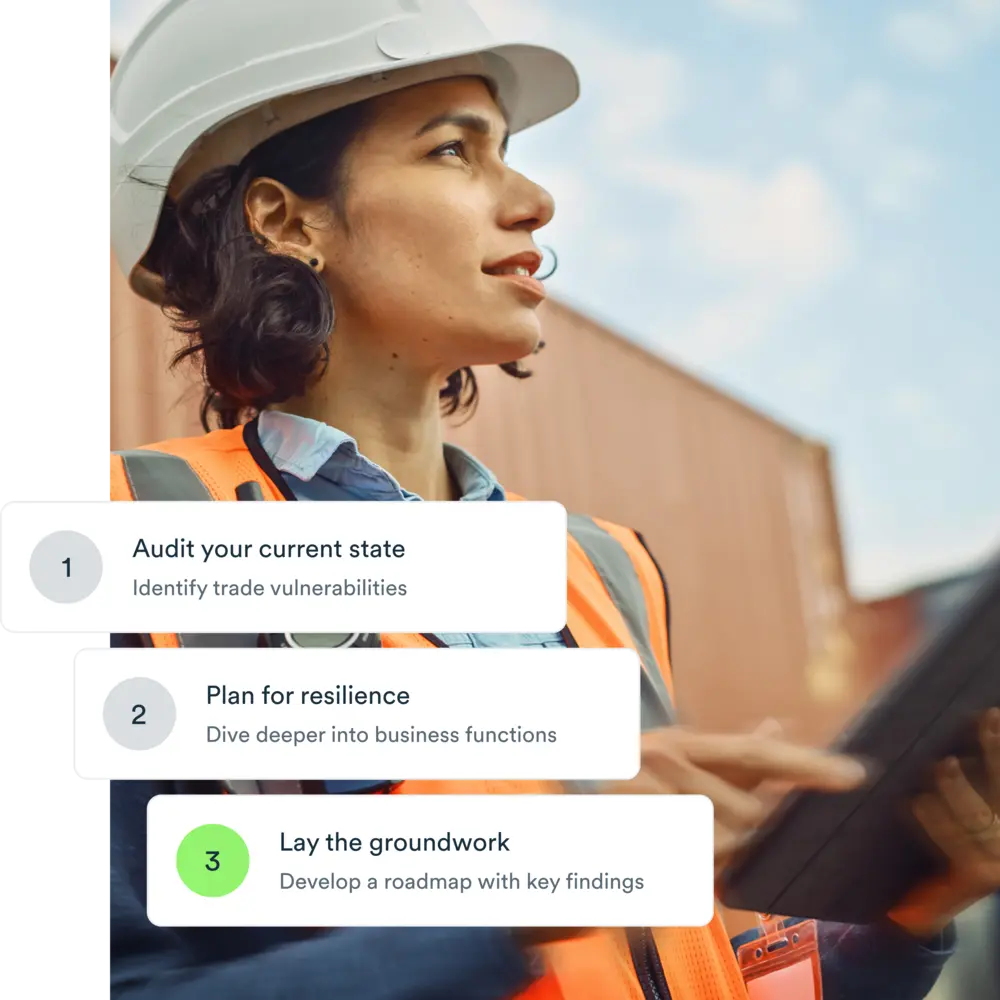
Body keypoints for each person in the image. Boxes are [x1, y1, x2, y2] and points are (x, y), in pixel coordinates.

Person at [104, 2, 1000, 998]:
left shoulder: (602, 570)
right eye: (453, 150)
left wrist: (906, 912)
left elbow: (672, 969)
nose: (534, 201)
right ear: (286, 219)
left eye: (510, 155)